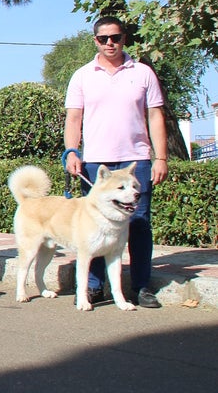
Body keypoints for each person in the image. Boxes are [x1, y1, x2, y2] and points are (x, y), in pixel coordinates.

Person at [65, 16, 167, 309]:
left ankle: (142, 286)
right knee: (94, 227)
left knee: (138, 223)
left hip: (136, 159)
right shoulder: (83, 75)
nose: (110, 43)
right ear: (94, 40)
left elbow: (155, 115)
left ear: (125, 38)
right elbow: (74, 118)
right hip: (96, 163)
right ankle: (95, 288)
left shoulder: (144, 73)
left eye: (116, 37)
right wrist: (72, 151)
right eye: (103, 38)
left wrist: (160, 157)